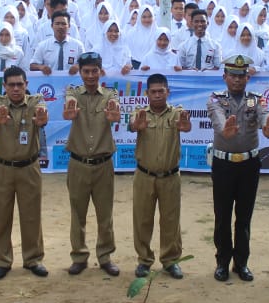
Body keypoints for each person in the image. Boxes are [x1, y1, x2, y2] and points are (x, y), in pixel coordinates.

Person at [207, 54, 269, 283]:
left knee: (244, 216)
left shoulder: (255, 100)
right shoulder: (216, 99)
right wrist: (223, 130)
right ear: (225, 77)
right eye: (233, 76)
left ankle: (242, 262)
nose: (237, 80)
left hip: (249, 165)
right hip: (224, 164)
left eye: (241, 76)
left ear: (247, 77)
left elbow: (264, 115)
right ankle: (222, 262)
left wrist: (267, 126)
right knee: (222, 215)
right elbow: (217, 118)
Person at [0, 66, 50, 279]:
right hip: (3, 169)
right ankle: (2, 261)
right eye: (11, 85)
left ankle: (33, 259)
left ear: (26, 85)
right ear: (4, 86)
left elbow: (43, 113)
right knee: (1, 216)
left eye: (20, 84)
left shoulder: (35, 101)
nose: (16, 89)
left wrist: (42, 119)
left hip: (29, 167)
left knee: (31, 216)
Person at [63, 52, 122, 276]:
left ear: (101, 71)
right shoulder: (73, 92)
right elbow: (70, 101)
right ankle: (79, 256)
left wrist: (115, 113)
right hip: (77, 164)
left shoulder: (109, 94)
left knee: (104, 214)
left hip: (103, 165)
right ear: (80, 72)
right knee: (77, 213)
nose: (90, 75)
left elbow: (115, 106)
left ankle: (105, 256)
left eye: (94, 71)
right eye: (85, 71)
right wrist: (70, 106)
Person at [129, 73, 190, 279]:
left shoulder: (176, 113)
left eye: (161, 91)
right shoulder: (140, 113)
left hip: (170, 177)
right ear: (147, 93)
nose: (157, 95)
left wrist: (185, 126)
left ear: (167, 92)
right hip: (144, 176)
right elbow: (132, 124)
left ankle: (170, 261)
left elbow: (185, 124)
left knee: (171, 221)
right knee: (142, 220)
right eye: (153, 92)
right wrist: (135, 126)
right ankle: (144, 261)